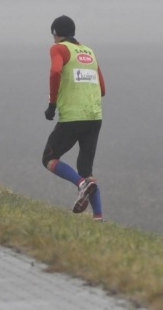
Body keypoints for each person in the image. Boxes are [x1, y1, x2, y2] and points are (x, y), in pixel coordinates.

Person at [42, 15, 106, 221]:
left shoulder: (59, 49)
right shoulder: (89, 52)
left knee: (49, 158)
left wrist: (52, 104)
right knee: (86, 168)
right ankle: (98, 217)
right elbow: (103, 89)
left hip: (72, 117)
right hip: (95, 116)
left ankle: (81, 185)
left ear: (56, 33)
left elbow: (55, 72)